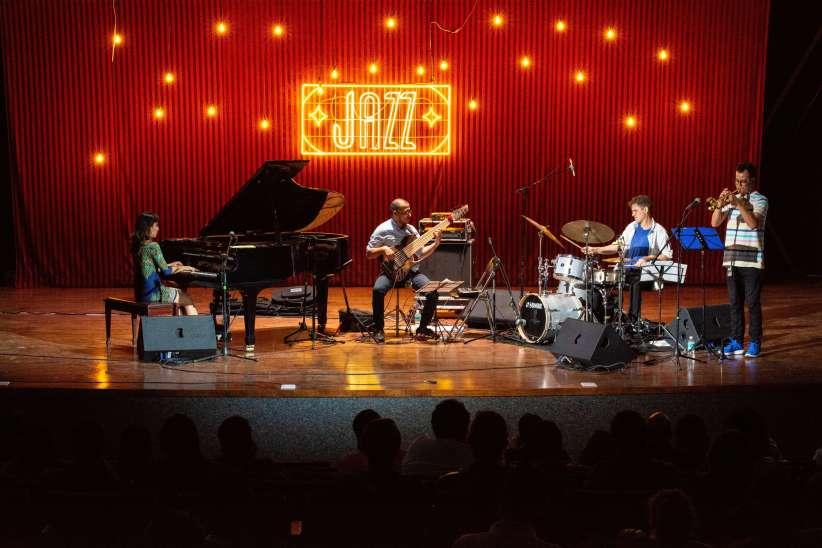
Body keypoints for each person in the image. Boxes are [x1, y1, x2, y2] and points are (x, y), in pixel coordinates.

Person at [710, 162, 768, 358]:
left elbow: (753, 223)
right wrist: (720, 205)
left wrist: (738, 204)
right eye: (737, 180)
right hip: (731, 259)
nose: (739, 184)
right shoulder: (732, 200)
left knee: (752, 303)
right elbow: (715, 222)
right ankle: (736, 341)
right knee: (734, 303)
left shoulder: (761, 200)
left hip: (752, 260)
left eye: (743, 181)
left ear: (752, 181)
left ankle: (754, 342)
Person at [586, 195, 672, 323]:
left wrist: (648, 258)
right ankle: (602, 316)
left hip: (644, 273)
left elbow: (667, 256)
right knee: (598, 281)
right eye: (632, 211)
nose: (633, 214)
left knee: (635, 281)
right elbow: (618, 245)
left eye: (635, 211)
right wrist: (596, 249)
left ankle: (633, 320)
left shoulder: (659, 231)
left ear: (646, 210)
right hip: (625, 269)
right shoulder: (632, 227)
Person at [366, 198, 441, 342]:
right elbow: (368, 253)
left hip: (410, 272)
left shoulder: (411, 230)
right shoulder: (383, 229)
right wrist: (383, 249)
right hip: (390, 273)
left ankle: (423, 328)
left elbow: (421, 252)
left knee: (432, 292)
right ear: (395, 213)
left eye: (410, 210)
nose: (410, 214)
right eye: (406, 212)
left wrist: (436, 243)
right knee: (377, 290)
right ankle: (378, 329)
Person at [131, 211, 198, 315]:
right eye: (156, 225)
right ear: (148, 227)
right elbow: (166, 272)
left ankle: (181, 328)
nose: (158, 229)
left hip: (140, 294)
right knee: (185, 297)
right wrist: (184, 268)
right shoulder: (153, 247)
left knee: (179, 299)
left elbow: (153, 267)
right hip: (153, 294)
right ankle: (196, 329)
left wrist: (173, 265)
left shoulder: (138, 246)